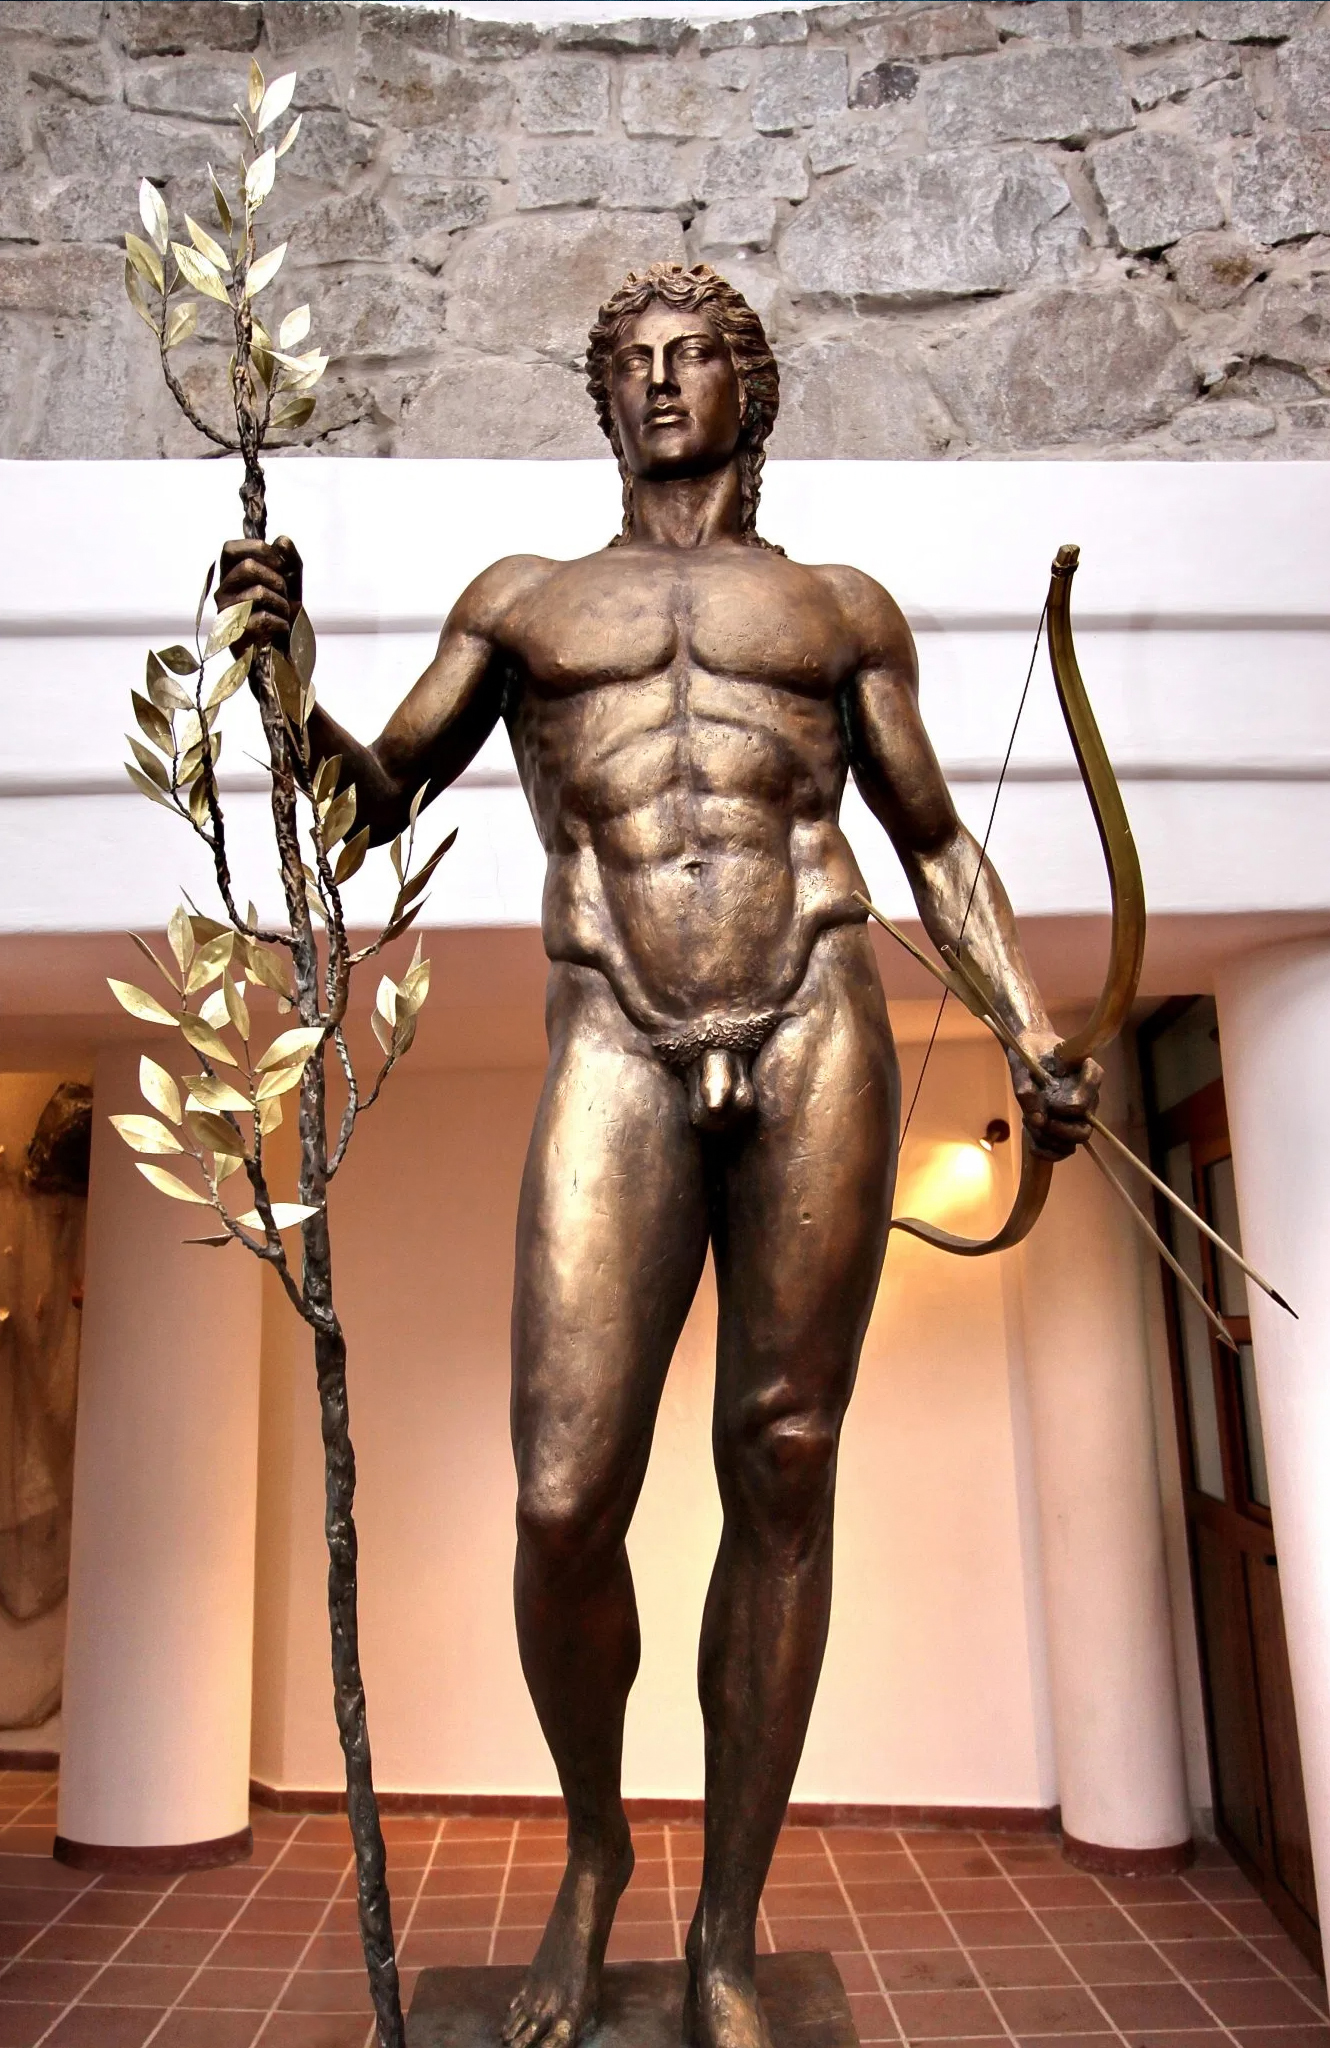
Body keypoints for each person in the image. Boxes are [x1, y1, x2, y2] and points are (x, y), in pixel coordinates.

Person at [217, 263, 1099, 2048]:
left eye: (695, 356)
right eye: (630, 360)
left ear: (751, 388)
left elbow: (933, 843)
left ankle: (726, 1929)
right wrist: (279, 678)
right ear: (600, 395)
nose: (662, 380)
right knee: (562, 1494)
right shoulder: (526, 604)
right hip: (615, 1026)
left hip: (817, 1014)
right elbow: (364, 805)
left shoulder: (837, 609)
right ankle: (595, 1852)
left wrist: (1025, 1020)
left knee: (783, 1457)